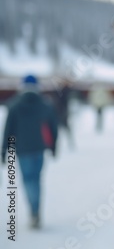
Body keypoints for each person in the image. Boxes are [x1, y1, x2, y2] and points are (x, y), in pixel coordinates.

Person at [1, 75, 58, 229]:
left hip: (23, 149)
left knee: (28, 180)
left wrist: (4, 151)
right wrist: (53, 147)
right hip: (39, 148)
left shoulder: (15, 105)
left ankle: (33, 212)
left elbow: (8, 131)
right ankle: (36, 210)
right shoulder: (45, 104)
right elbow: (53, 127)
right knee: (37, 180)